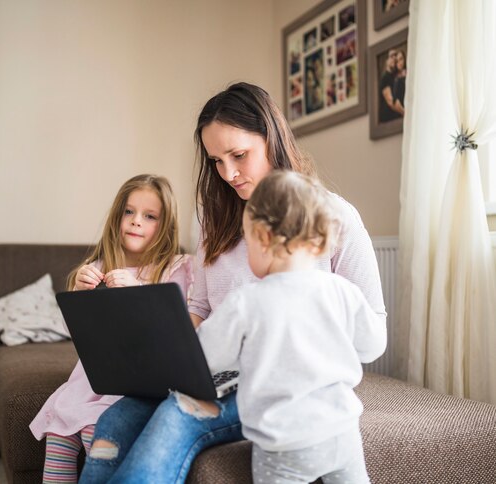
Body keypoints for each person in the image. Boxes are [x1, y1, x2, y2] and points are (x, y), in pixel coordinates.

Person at [79, 82, 386, 484]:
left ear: (271, 137)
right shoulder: (213, 217)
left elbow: (373, 329)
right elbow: (203, 310)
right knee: (115, 422)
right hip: (212, 370)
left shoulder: (334, 217)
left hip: (277, 384)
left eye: (239, 155)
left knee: (178, 414)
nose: (228, 174)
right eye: (216, 161)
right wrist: (162, 353)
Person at [197, 170, 386, 483]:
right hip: (342, 433)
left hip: (285, 443)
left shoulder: (246, 301)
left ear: (264, 238)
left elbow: (206, 356)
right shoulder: (340, 289)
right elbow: (372, 346)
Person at [29, 174, 193, 484]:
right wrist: (78, 295)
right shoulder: (99, 266)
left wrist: (139, 294)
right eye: (128, 212)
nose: (135, 222)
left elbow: (173, 332)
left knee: (99, 437)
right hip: (90, 380)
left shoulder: (178, 269)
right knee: (59, 435)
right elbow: (77, 332)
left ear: (166, 224)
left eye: (149, 216)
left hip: (131, 385)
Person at [379, 48, 403, 122]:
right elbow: (391, 102)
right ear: (386, 61)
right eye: (391, 56)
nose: (394, 58)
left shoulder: (396, 77)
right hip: (389, 121)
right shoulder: (385, 78)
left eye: (395, 56)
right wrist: (405, 113)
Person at [392, 49, 406, 116]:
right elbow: (395, 101)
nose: (399, 63)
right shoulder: (396, 80)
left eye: (401, 59)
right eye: (397, 61)